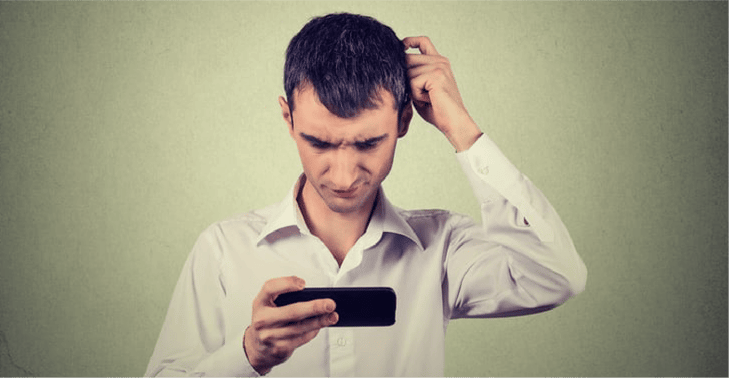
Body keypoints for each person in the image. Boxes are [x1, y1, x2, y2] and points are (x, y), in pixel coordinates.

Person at [145, 13, 586, 377]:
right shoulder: (223, 249)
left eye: (367, 143)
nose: (342, 175)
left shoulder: (443, 247)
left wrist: (461, 128)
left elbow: (556, 276)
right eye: (318, 142)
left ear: (404, 122)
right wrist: (247, 355)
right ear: (288, 118)